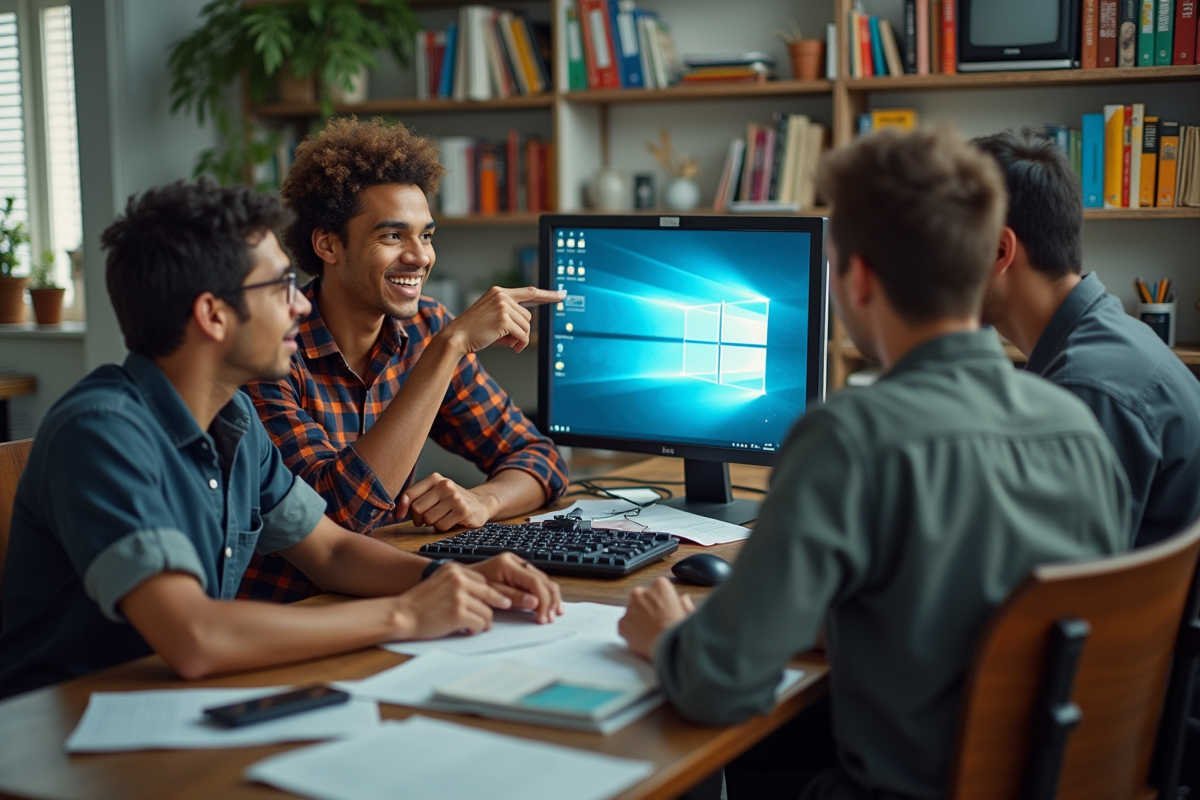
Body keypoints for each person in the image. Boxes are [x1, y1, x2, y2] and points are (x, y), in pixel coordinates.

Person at [618, 127, 1131, 800]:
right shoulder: (1077, 425)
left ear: (858, 279)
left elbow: (720, 687)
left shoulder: (846, 437)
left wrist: (664, 639)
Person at [0, 180, 562, 701]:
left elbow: (333, 549)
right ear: (213, 315)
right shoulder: (102, 432)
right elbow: (193, 635)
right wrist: (408, 614)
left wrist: (453, 578)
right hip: (66, 723)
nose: (299, 304)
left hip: (184, 699)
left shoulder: (233, 421)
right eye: (279, 287)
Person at [240, 117, 568, 604]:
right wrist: (449, 347)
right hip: (292, 618)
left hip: (397, 598)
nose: (420, 257)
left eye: (427, 235)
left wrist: (484, 500)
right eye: (394, 236)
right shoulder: (269, 353)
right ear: (328, 244)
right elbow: (335, 518)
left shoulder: (425, 329)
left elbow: (541, 458)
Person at [973, 128, 1200, 549]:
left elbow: (1048, 583)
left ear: (1001, 252)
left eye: (948, 243)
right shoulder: (1111, 336)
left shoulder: (1087, 391)